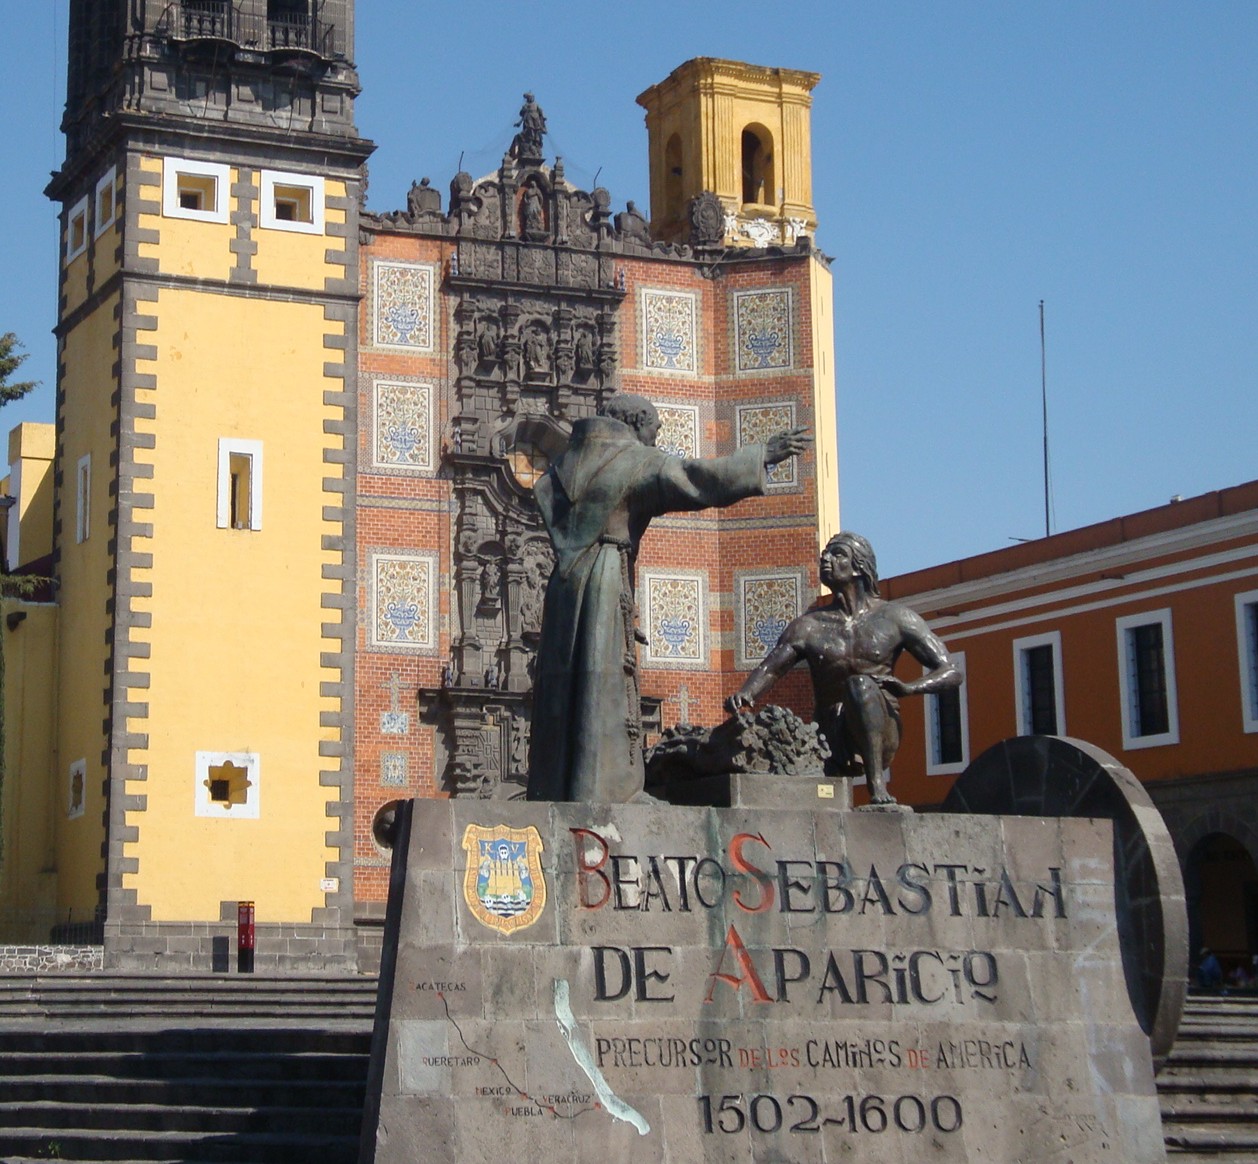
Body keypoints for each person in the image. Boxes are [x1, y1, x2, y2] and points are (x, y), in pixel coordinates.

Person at [527, 394, 809, 803]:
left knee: (569, 684)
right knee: (600, 684)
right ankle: (606, 790)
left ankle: (560, 786)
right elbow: (696, 479)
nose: (656, 440)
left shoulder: (561, 467)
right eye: (655, 431)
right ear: (637, 424)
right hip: (605, 575)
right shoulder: (635, 460)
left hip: (566, 585)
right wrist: (761, 455)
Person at [725, 532, 961, 806]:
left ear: (859, 566)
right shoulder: (809, 626)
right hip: (827, 734)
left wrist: (909, 688)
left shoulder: (895, 618)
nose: (825, 558)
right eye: (825, 553)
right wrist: (745, 694)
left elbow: (952, 671)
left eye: (837, 554)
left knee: (859, 685)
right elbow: (771, 668)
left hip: (880, 730)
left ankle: (876, 786)